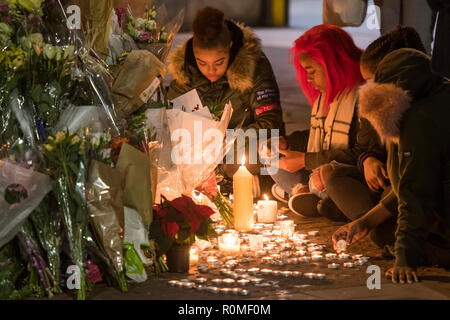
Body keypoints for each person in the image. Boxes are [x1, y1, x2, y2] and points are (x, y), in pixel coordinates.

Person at [333, 48, 450, 284]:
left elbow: (414, 192)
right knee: (377, 223)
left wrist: (405, 261)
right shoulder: (437, 95)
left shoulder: (418, 121)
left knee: (386, 233)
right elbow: (407, 182)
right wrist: (364, 221)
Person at [323, 26, 427, 228]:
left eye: (372, 80)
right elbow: (368, 147)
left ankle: (375, 225)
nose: (369, 87)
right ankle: (373, 222)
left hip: (415, 194)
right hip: (385, 185)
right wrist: (368, 160)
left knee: (392, 198)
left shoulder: (426, 109)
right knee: (336, 177)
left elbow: (414, 178)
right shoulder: (379, 101)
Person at [167, 6, 285, 181]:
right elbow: (170, 120)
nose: (211, 70)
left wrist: (222, 142)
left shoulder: (254, 65)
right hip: (200, 158)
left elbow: (271, 124)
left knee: (247, 158)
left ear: (230, 46)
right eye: (202, 63)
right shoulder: (184, 72)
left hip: (245, 152)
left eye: (219, 62)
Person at [267, 24, 365, 217]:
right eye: (305, 71)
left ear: (332, 64)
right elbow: (315, 136)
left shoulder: (361, 97)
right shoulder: (326, 96)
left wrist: (305, 160)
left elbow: (360, 153)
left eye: (311, 70)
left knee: (326, 180)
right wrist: (287, 142)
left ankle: (307, 195)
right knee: (273, 162)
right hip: (318, 170)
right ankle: (308, 195)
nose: (308, 78)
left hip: (348, 175)